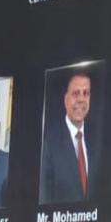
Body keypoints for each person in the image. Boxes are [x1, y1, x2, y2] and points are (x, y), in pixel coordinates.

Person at [40, 71, 100, 205]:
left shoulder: (97, 139)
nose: (81, 99)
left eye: (86, 93)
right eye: (76, 93)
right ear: (66, 100)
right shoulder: (49, 143)